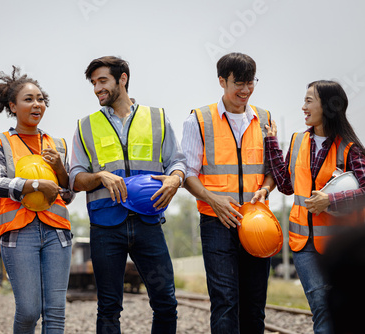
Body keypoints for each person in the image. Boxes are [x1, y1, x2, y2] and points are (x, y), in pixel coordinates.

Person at [70, 56, 185, 334]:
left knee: (166, 302)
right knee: (109, 306)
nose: (97, 88)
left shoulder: (156, 117)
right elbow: (75, 178)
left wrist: (175, 179)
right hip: (106, 227)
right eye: (94, 83)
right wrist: (98, 176)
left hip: (148, 223)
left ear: (122, 79)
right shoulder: (85, 126)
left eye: (103, 81)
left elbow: (177, 161)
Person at [182, 52, 275, 334]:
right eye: (239, 84)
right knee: (225, 301)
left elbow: (274, 168)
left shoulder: (265, 118)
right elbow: (186, 174)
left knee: (255, 302)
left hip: (257, 222)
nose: (245, 90)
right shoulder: (198, 120)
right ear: (222, 81)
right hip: (216, 222)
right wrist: (213, 200)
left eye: (250, 83)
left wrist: (266, 188)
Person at [265, 80, 365, 333]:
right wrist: (272, 144)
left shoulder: (350, 149)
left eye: (309, 101)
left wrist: (330, 200)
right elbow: (287, 186)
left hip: (339, 246)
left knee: (342, 309)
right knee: (321, 305)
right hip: (303, 244)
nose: (303, 107)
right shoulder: (298, 141)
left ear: (328, 106)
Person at [0, 66, 73, 333]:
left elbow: (67, 195)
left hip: (57, 232)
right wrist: (35, 185)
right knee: (28, 310)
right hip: (18, 233)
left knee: (55, 312)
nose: (37, 104)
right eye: (28, 99)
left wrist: (60, 170)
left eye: (40, 99)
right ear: (12, 106)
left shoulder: (57, 144)